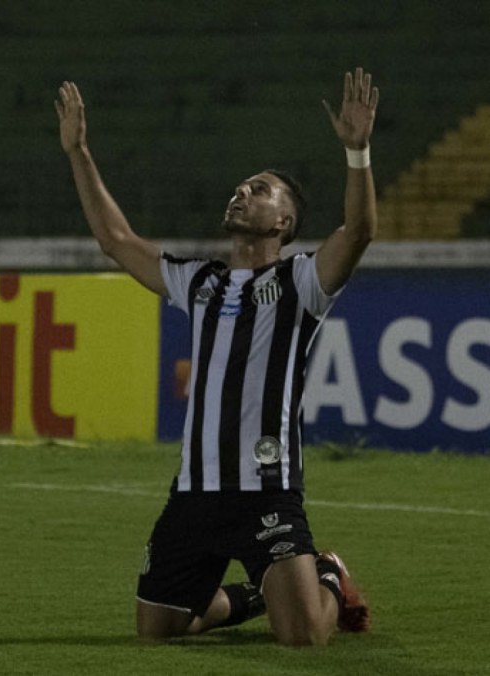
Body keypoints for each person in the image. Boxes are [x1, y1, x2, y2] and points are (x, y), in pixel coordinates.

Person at [55, 67, 379, 646]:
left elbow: (357, 232)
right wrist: (78, 151)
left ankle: (326, 574)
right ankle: (264, 594)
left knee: (303, 637)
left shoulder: (302, 282)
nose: (241, 192)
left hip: (267, 488)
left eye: (258, 189)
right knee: (158, 630)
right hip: (194, 494)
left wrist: (357, 153)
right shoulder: (198, 281)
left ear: (283, 222)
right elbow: (116, 241)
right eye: (240, 187)